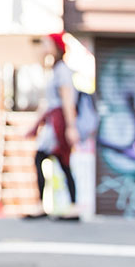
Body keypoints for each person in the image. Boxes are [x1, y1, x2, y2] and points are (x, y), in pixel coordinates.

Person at [24, 33, 80, 220]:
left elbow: (67, 100)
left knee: (52, 160)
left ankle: (65, 205)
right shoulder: (54, 69)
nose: (44, 48)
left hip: (59, 124)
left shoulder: (62, 70)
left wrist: (71, 127)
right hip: (54, 122)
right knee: (60, 163)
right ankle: (68, 205)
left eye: (48, 44)